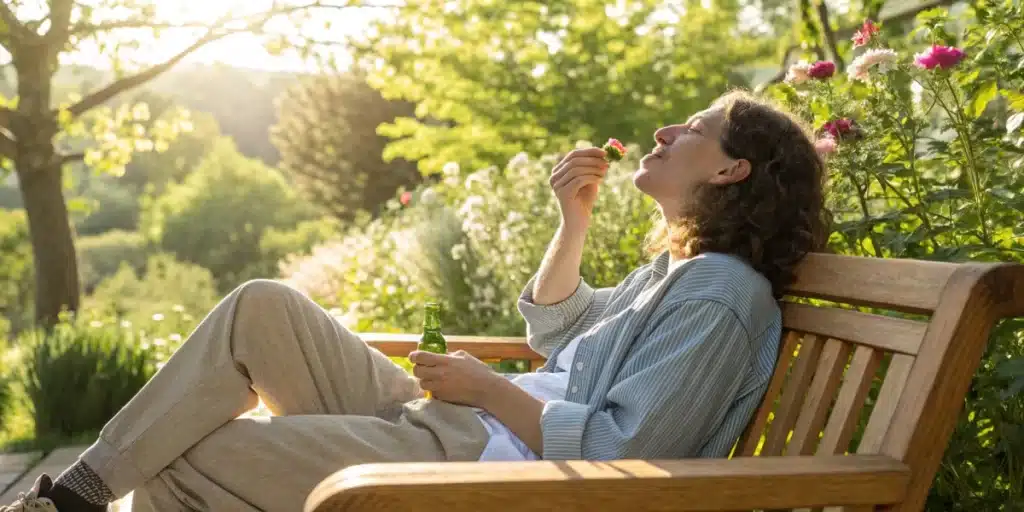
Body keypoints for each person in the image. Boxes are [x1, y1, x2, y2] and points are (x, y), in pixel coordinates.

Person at [2, 89, 827, 512]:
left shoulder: (721, 294)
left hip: (490, 471)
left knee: (195, 461)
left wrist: (483, 388)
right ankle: (76, 495)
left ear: (731, 171)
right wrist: (570, 222)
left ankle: (75, 500)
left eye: (693, 129)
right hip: (465, 428)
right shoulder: (681, 272)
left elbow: (636, 445)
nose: (665, 135)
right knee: (264, 307)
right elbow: (559, 329)